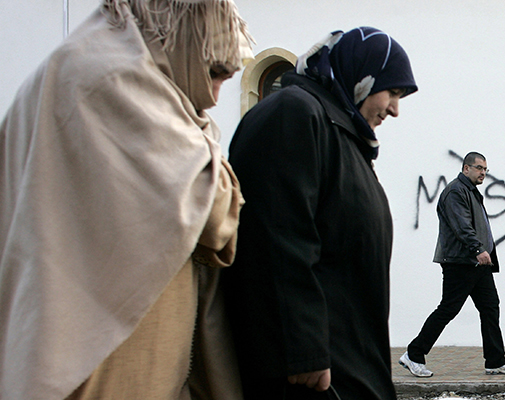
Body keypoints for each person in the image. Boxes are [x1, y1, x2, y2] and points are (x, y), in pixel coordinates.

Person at [0, 0, 252, 398]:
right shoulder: (116, 79)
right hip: (101, 363)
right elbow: (217, 215)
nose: (216, 98)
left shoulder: (78, 62)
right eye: (214, 73)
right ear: (184, 39)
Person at [221, 27, 417, 399]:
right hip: (312, 374)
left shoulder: (340, 131)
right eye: (391, 91)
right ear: (361, 75)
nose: (394, 109)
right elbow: (278, 237)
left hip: (345, 360)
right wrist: (304, 348)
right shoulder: (294, 112)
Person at [399, 152, 505, 377]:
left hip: (477, 264)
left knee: (490, 307)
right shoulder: (455, 191)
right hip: (461, 262)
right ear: (466, 168)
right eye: (478, 168)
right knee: (448, 308)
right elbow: (462, 226)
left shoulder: (470, 192)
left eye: (485, 169)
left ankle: (495, 361)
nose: (483, 173)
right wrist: (478, 249)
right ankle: (414, 354)